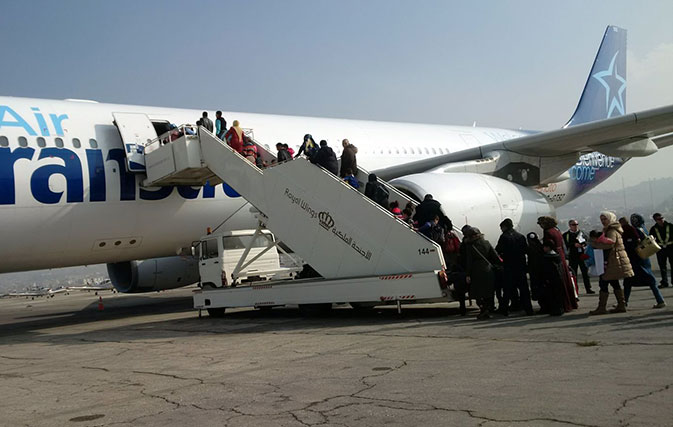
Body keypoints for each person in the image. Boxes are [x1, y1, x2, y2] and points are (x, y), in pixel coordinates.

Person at [588, 211, 634, 315]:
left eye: (605, 219)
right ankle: (621, 305)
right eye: (602, 219)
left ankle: (602, 307)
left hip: (611, 260)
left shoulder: (611, 230)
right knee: (613, 282)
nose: (603, 221)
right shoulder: (612, 229)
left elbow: (610, 244)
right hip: (612, 260)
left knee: (603, 282)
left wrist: (596, 245)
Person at [625, 215, 666, 308]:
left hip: (637, 260)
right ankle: (660, 300)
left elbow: (633, 244)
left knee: (629, 280)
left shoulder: (636, 231)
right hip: (644, 258)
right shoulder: (643, 229)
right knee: (649, 281)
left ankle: (624, 302)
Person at [537, 216, 578, 312]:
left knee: (558, 281)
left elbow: (549, 245)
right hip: (561, 255)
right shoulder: (556, 230)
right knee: (565, 278)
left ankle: (562, 304)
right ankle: (570, 303)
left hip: (553, 257)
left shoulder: (547, 232)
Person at [496, 218, 533, 315]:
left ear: (505, 227)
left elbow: (498, 250)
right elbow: (526, 250)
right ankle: (528, 309)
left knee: (507, 289)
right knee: (524, 289)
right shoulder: (520, 236)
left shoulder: (504, 237)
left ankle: (504, 310)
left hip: (509, 266)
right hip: (520, 266)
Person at [463, 226, 502, 320]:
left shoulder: (470, 246)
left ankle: (483, 310)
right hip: (488, 270)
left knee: (478, 293)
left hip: (476, 271)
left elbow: (469, 261)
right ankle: (487, 309)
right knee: (488, 292)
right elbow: (496, 257)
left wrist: (468, 274)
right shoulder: (486, 243)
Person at [563, 219, 595, 294]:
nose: (575, 226)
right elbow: (565, 244)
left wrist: (583, 244)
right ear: (570, 226)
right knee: (573, 274)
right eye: (573, 225)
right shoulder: (566, 235)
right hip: (572, 256)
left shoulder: (582, 233)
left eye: (576, 224)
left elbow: (588, 241)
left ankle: (588, 288)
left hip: (582, 255)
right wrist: (573, 245)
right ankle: (575, 290)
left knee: (585, 273)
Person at [540, 240, 566, 316]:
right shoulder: (557, 255)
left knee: (553, 294)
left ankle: (555, 309)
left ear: (548, 247)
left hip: (552, 278)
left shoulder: (548, 257)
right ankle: (560, 309)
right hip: (559, 278)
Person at [649, 213, 673, 288]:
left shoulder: (670, 226)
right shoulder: (653, 229)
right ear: (655, 220)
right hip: (661, 249)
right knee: (662, 267)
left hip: (671, 248)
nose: (661, 220)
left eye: (662, 218)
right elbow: (651, 239)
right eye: (659, 219)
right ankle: (664, 282)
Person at [526, 232, 545, 312]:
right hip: (542, 270)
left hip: (534, 271)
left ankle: (542, 305)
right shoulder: (540, 246)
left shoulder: (530, 248)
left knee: (536, 287)